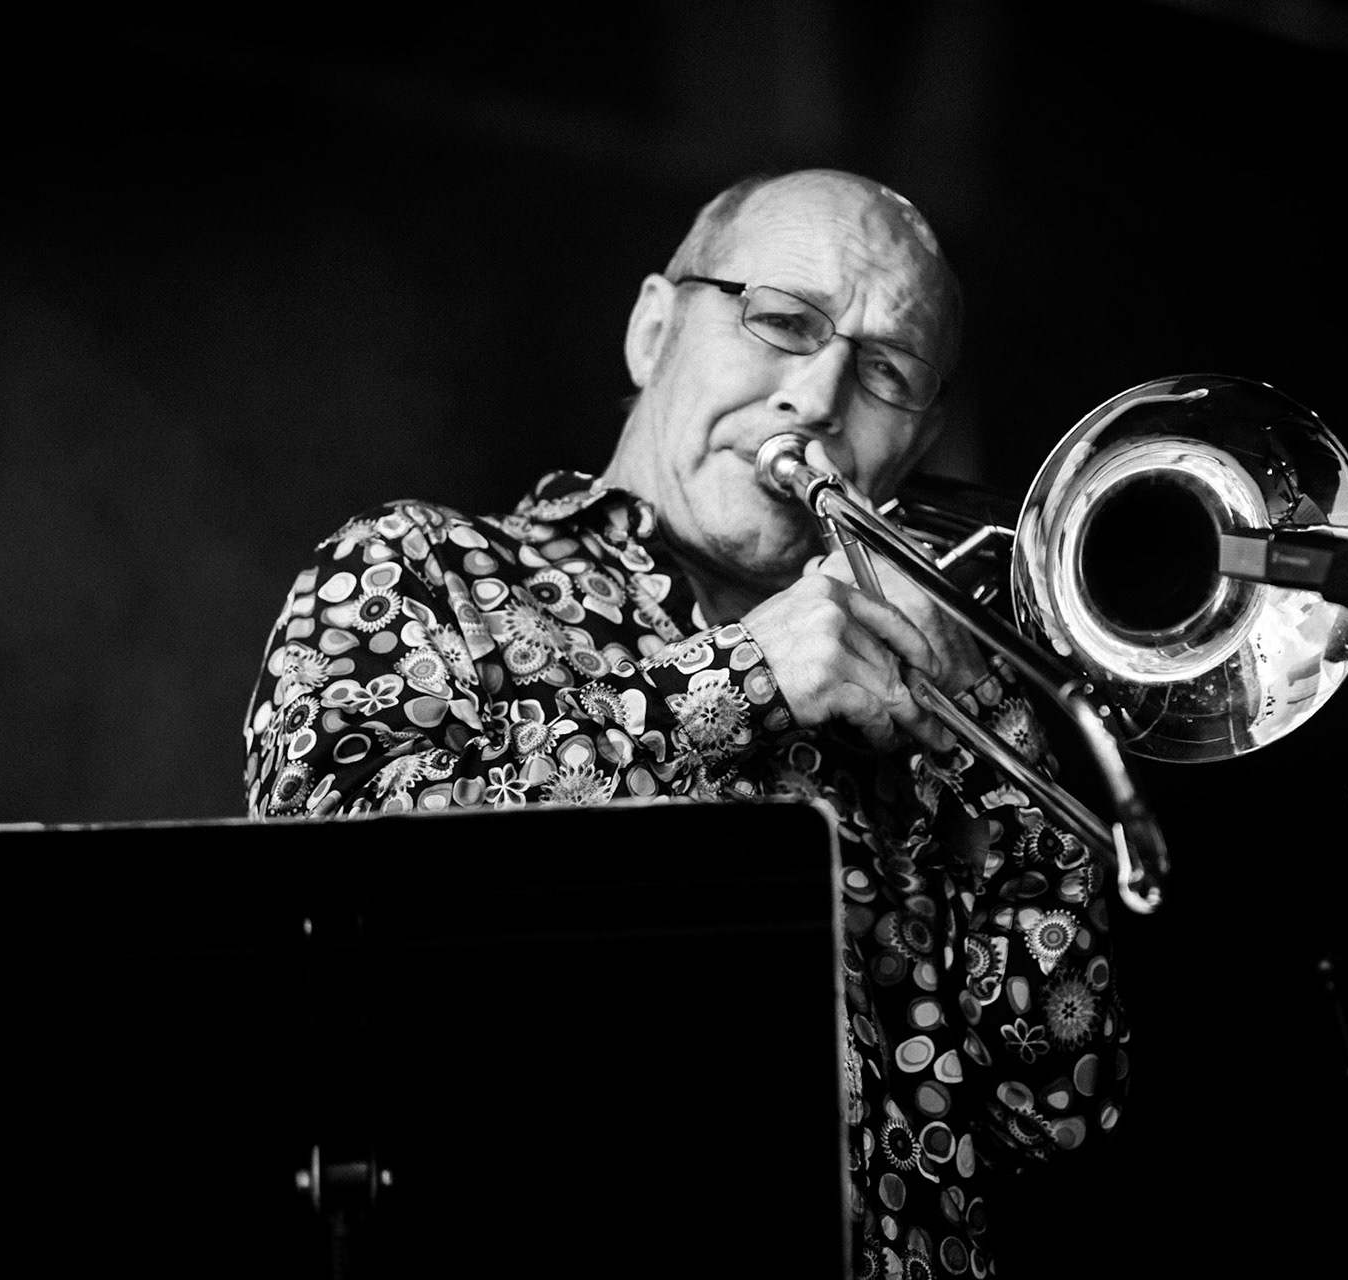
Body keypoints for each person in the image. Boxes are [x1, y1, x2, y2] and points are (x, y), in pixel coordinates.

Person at [243, 169, 1127, 1276]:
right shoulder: (420, 568)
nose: (817, 397)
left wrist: (992, 743)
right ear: (653, 326)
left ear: (922, 436)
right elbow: (334, 894)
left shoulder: (934, 701)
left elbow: (1055, 1114)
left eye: (886, 370)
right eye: (782, 322)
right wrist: (744, 675)